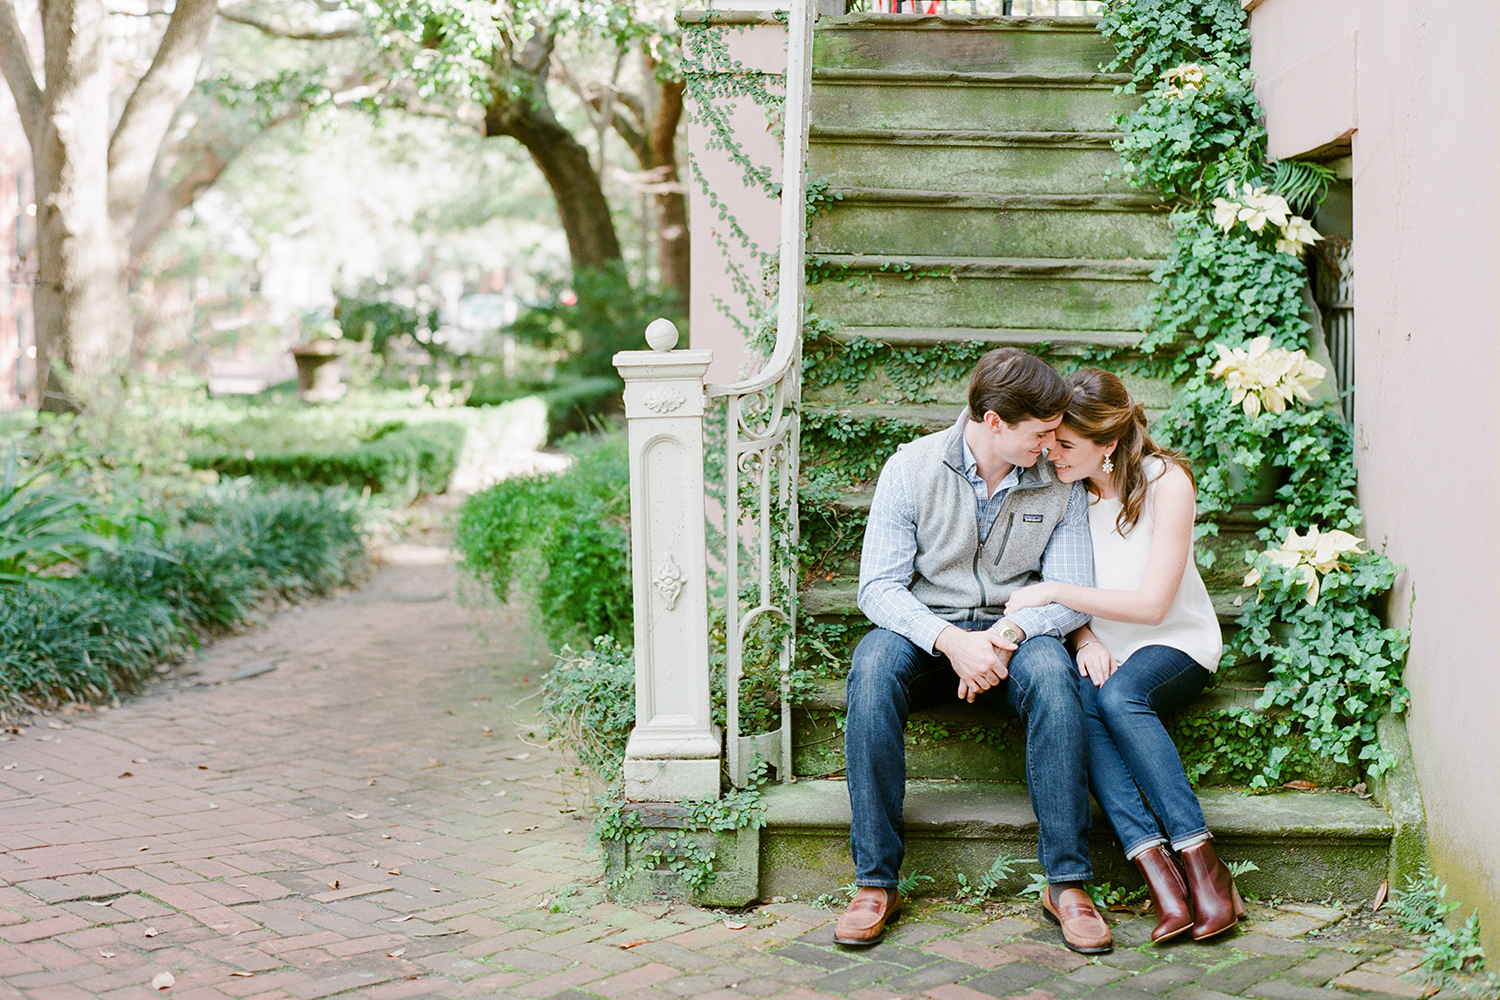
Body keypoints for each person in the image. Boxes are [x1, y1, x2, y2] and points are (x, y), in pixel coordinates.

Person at [836, 348, 1114, 955]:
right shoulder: (909, 468)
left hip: (1016, 635)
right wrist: (952, 641)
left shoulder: (1058, 483)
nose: (1051, 446)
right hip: (927, 633)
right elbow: (877, 587)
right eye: (1040, 434)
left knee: (1054, 674)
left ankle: (1067, 883)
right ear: (993, 422)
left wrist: (1003, 639)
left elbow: (1073, 597)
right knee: (872, 668)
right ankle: (874, 881)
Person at [1003, 367, 1246, 943]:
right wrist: (1084, 640)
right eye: (1051, 440)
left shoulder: (1167, 484)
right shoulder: (1061, 491)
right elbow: (1072, 600)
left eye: (1066, 444)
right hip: (1104, 647)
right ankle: (1160, 878)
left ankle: (1204, 866)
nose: (1050, 453)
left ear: (1107, 445)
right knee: (1080, 701)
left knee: (1121, 695)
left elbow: (1155, 605)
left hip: (1175, 641)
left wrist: (1055, 592)